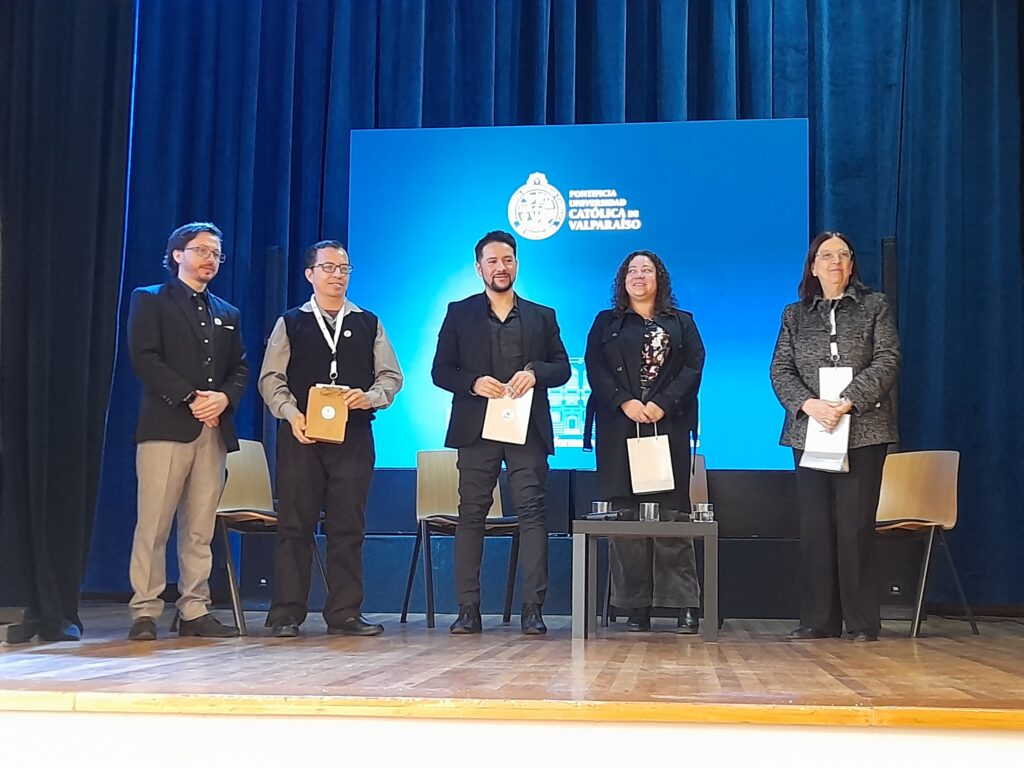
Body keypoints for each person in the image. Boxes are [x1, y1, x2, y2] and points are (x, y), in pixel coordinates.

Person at [259, 240, 403, 638]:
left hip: (353, 436)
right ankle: (286, 613)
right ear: (310, 274)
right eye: (328, 268)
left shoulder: (369, 322)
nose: (337, 275)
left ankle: (344, 612)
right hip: (302, 437)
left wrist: (370, 397)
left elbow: (391, 376)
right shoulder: (290, 322)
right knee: (295, 524)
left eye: (344, 268)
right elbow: (271, 378)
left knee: (348, 526)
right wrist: (291, 414)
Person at [432, 230, 570, 635]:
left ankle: (533, 609)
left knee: (532, 512)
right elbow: (441, 371)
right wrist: (473, 383)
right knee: (471, 513)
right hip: (477, 428)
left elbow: (562, 368)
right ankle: (468, 609)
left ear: (517, 264)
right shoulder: (459, 312)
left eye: (507, 259)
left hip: (527, 429)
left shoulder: (542, 315)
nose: (501, 267)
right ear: (479, 268)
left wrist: (535, 373)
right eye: (492, 261)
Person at [769, 231, 900, 643]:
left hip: (863, 429)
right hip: (810, 431)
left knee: (854, 527)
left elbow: (888, 359)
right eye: (826, 256)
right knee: (816, 527)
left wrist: (846, 401)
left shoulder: (875, 305)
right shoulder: (794, 314)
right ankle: (819, 620)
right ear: (813, 266)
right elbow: (780, 369)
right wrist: (809, 404)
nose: (835, 262)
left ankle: (862, 622)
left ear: (852, 264)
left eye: (843, 255)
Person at [126, 222, 249, 640]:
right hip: (166, 428)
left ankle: (194, 609)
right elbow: (145, 357)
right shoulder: (150, 299)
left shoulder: (227, 312)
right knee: (154, 524)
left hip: (212, 431)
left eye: (216, 253)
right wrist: (191, 397)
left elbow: (240, 367)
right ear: (177, 254)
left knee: (199, 528)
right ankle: (145, 610)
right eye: (201, 251)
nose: (210, 259)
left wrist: (224, 398)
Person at [584, 250, 705, 633]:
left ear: (659, 278)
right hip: (619, 428)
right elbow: (595, 367)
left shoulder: (682, 322)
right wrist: (624, 401)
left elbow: (693, 366)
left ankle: (684, 605)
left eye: (647, 270)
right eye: (632, 270)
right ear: (623, 280)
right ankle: (635, 606)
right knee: (626, 520)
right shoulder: (606, 322)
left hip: (668, 427)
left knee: (671, 517)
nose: (639, 276)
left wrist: (662, 404)